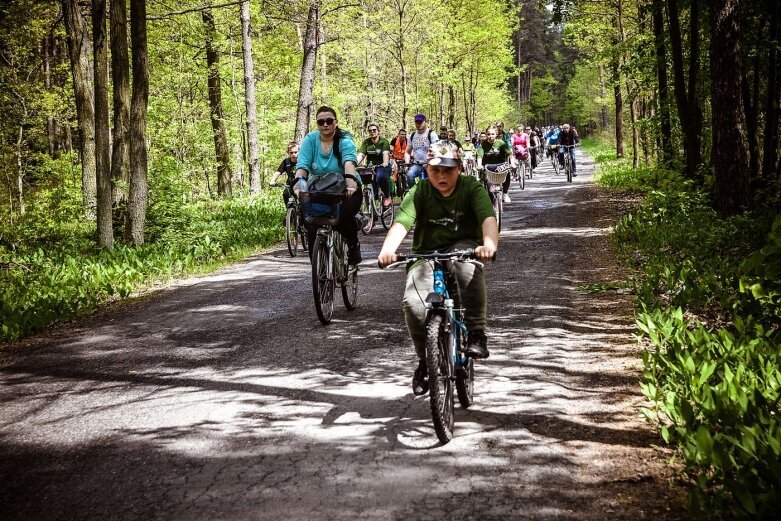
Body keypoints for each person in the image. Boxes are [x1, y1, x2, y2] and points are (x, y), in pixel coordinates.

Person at [377, 141, 498, 395]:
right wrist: (387, 250)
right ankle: (425, 361)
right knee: (413, 302)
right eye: (435, 170)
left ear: (459, 169)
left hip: (463, 247)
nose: (441, 176)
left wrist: (488, 244)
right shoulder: (419, 192)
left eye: (448, 170)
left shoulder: (471, 188)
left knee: (465, 268)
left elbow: (488, 217)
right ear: (427, 169)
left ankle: (476, 333)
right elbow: (402, 223)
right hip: (426, 253)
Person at [294, 105, 363, 266]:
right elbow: (302, 166)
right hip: (320, 189)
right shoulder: (310, 140)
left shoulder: (344, 139)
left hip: (346, 187)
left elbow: (349, 162)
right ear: (317, 124)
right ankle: (318, 267)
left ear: (335, 122)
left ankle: (353, 245)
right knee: (311, 222)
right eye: (321, 122)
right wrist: (298, 185)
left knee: (343, 215)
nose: (325, 124)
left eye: (329, 121)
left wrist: (350, 183)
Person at [477, 125, 516, 203]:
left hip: (500, 166)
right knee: (486, 185)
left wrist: (512, 163)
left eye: (492, 134)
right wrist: (479, 165)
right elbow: (479, 156)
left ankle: (505, 193)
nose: (490, 136)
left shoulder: (501, 143)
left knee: (507, 172)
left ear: (496, 134)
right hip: (488, 167)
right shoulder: (483, 144)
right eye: (488, 134)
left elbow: (510, 154)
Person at [357, 122, 393, 207]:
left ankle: (387, 196)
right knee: (365, 182)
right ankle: (372, 209)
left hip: (383, 166)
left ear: (378, 131)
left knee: (380, 178)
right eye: (370, 130)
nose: (372, 132)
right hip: (371, 167)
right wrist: (354, 163)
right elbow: (361, 155)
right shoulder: (366, 142)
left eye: (374, 130)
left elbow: (385, 153)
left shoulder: (383, 141)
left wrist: (385, 162)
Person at [404, 113, 438, 188]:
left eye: (421, 122)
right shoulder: (412, 136)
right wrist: (407, 164)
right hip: (417, 164)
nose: (419, 124)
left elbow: (437, 149)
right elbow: (407, 152)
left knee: (429, 184)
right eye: (417, 122)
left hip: (430, 164)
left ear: (425, 122)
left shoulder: (431, 134)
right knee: (409, 175)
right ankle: (413, 194)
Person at [269, 141, 299, 206]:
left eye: (295, 152)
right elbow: (278, 172)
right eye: (291, 152)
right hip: (290, 185)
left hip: (301, 185)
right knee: (286, 194)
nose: (293, 154)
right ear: (288, 153)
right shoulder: (286, 162)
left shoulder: (303, 160)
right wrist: (272, 181)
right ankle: (290, 213)